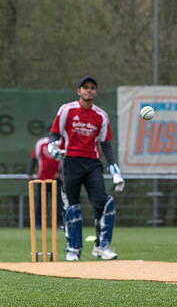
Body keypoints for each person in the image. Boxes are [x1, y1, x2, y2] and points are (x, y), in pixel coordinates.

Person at [48, 76, 125, 261]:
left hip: (92, 164)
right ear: (79, 91)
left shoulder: (101, 116)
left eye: (92, 88)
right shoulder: (67, 110)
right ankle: (72, 249)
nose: (89, 90)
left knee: (103, 203)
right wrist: (53, 146)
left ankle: (102, 247)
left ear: (95, 92)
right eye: (85, 88)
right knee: (72, 206)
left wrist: (115, 170)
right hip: (71, 162)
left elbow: (106, 144)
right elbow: (54, 133)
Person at [28, 136, 64, 228]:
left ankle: (59, 223)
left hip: (56, 179)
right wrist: (30, 173)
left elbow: (64, 159)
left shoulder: (61, 144)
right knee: (40, 202)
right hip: (42, 178)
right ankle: (38, 224)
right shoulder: (41, 143)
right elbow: (34, 158)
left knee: (59, 203)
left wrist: (61, 173)